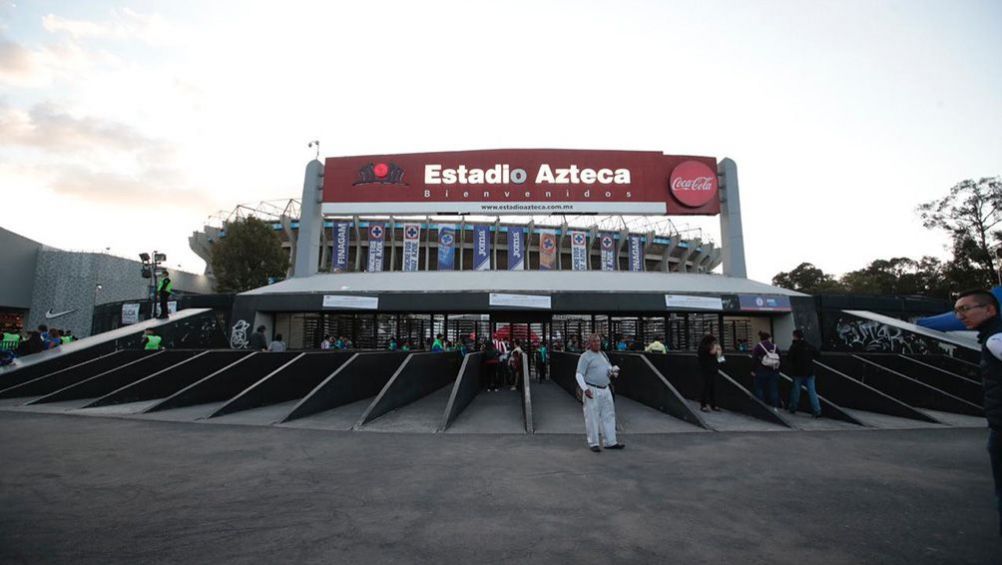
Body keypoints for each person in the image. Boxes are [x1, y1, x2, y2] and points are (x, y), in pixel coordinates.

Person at [954, 288, 1002, 536]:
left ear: (989, 309)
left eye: (965, 309)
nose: (960, 315)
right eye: (956, 310)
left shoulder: (995, 339)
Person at [575, 333, 624, 452]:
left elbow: (608, 369)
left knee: (608, 415)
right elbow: (579, 373)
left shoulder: (603, 355)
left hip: (605, 388)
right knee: (592, 416)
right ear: (589, 343)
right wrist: (585, 388)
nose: (597, 343)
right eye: (594, 341)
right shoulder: (585, 356)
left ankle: (610, 441)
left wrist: (612, 372)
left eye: (598, 341)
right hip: (592, 388)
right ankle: (594, 442)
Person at [787, 329, 821, 418]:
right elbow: (818, 354)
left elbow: (789, 358)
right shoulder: (809, 345)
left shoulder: (794, 346)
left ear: (795, 336)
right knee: (812, 391)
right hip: (810, 372)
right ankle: (817, 410)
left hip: (798, 372)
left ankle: (793, 407)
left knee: (796, 391)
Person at [752, 331, 781, 410]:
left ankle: (762, 407)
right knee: (774, 389)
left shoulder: (758, 346)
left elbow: (754, 359)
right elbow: (780, 358)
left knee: (759, 388)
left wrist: (753, 370)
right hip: (774, 371)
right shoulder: (775, 347)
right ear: (769, 338)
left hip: (761, 371)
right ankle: (775, 407)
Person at [697, 334, 723, 412]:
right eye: (713, 342)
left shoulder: (711, 347)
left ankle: (713, 405)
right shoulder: (703, 348)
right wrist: (717, 348)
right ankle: (703, 405)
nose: (714, 343)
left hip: (713, 370)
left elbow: (720, 359)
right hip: (706, 370)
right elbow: (712, 352)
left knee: (713, 388)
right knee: (706, 388)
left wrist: (719, 352)